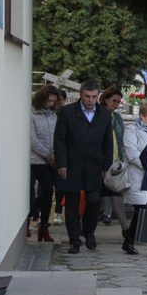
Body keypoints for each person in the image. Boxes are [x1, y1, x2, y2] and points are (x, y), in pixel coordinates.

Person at [54, 79, 114, 254]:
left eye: (94, 97)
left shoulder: (103, 114)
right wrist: (61, 163)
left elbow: (108, 142)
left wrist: (106, 165)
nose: (90, 100)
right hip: (72, 165)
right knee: (72, 203)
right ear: (81, 95)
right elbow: (59, 140)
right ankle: (74, 240)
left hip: (95, 166)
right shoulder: (67, 112)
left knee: (94, 201)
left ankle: (89, 232)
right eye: (87, 96)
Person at [121, 101, 147, 255]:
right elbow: (132, 154)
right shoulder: (132, 130)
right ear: (142, 116)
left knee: (145, 211)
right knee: (143, 210)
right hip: (138, 176)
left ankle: (130, 241)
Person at [30, 84, 59, 242]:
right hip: (37, 159)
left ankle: (44, 227)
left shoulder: (53, 115)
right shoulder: (32, 114)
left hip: (51, 159)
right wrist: (46, 154)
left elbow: (56, 135)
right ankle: (28, 215)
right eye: (49, 101)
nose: (51, 104)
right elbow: (32, 139)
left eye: (53, 101)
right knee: (47, 189)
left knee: (48, 194)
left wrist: (54, 153)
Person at [99, 87, 130, 231]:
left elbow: (121, 137)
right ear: (106, 99)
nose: (116, 104)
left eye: (118, 102)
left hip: (115, 160)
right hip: (100, 161)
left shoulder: (116, 117)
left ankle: (125, 228)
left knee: (115, 192)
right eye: (114, 101)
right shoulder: (98, 114)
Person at [52, 89, 67, 225]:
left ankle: (58, 211)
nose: (58, 103)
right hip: (46, 156)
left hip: (60, 157)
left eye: (60, 100)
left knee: (60, 187)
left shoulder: (66, 115)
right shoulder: (50, 115)